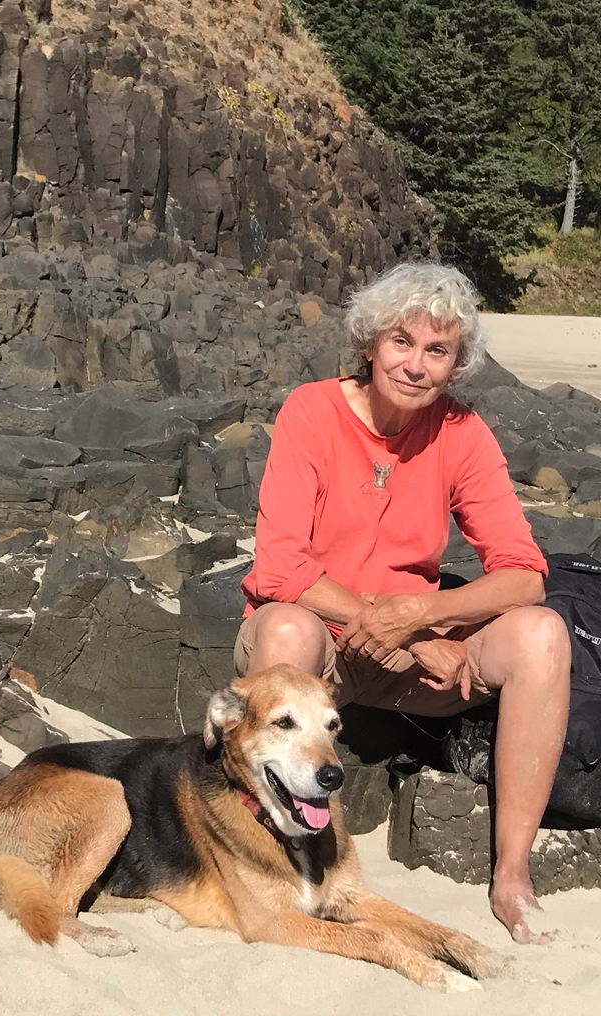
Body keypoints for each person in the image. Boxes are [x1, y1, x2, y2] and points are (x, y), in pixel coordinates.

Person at [235, 261, 570, 945]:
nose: (415, 365)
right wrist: (401, 630)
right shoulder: (311, 411)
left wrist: (423, 616)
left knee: (542, 635)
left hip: (412, 652)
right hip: (324, 647)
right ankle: (270, 854)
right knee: (290, 630)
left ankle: (511, 875)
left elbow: (525, 574)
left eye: (437, 351)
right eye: (401, 342)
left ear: (456, 364)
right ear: (370, 343)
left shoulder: (461, 433)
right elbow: (281, 567)